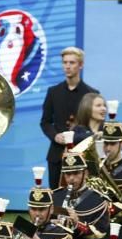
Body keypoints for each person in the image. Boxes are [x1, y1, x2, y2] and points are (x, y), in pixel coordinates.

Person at [39, 47, 98, 188]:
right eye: (65, 62)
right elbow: (45, 122)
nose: (67, 66)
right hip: (56, 155)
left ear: (81, 65)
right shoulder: (53, 92)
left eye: (72, 62)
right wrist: (55, 136)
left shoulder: (91, 93)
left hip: (83, 155)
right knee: (57, 197)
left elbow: (96, 126)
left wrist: (79, 138)